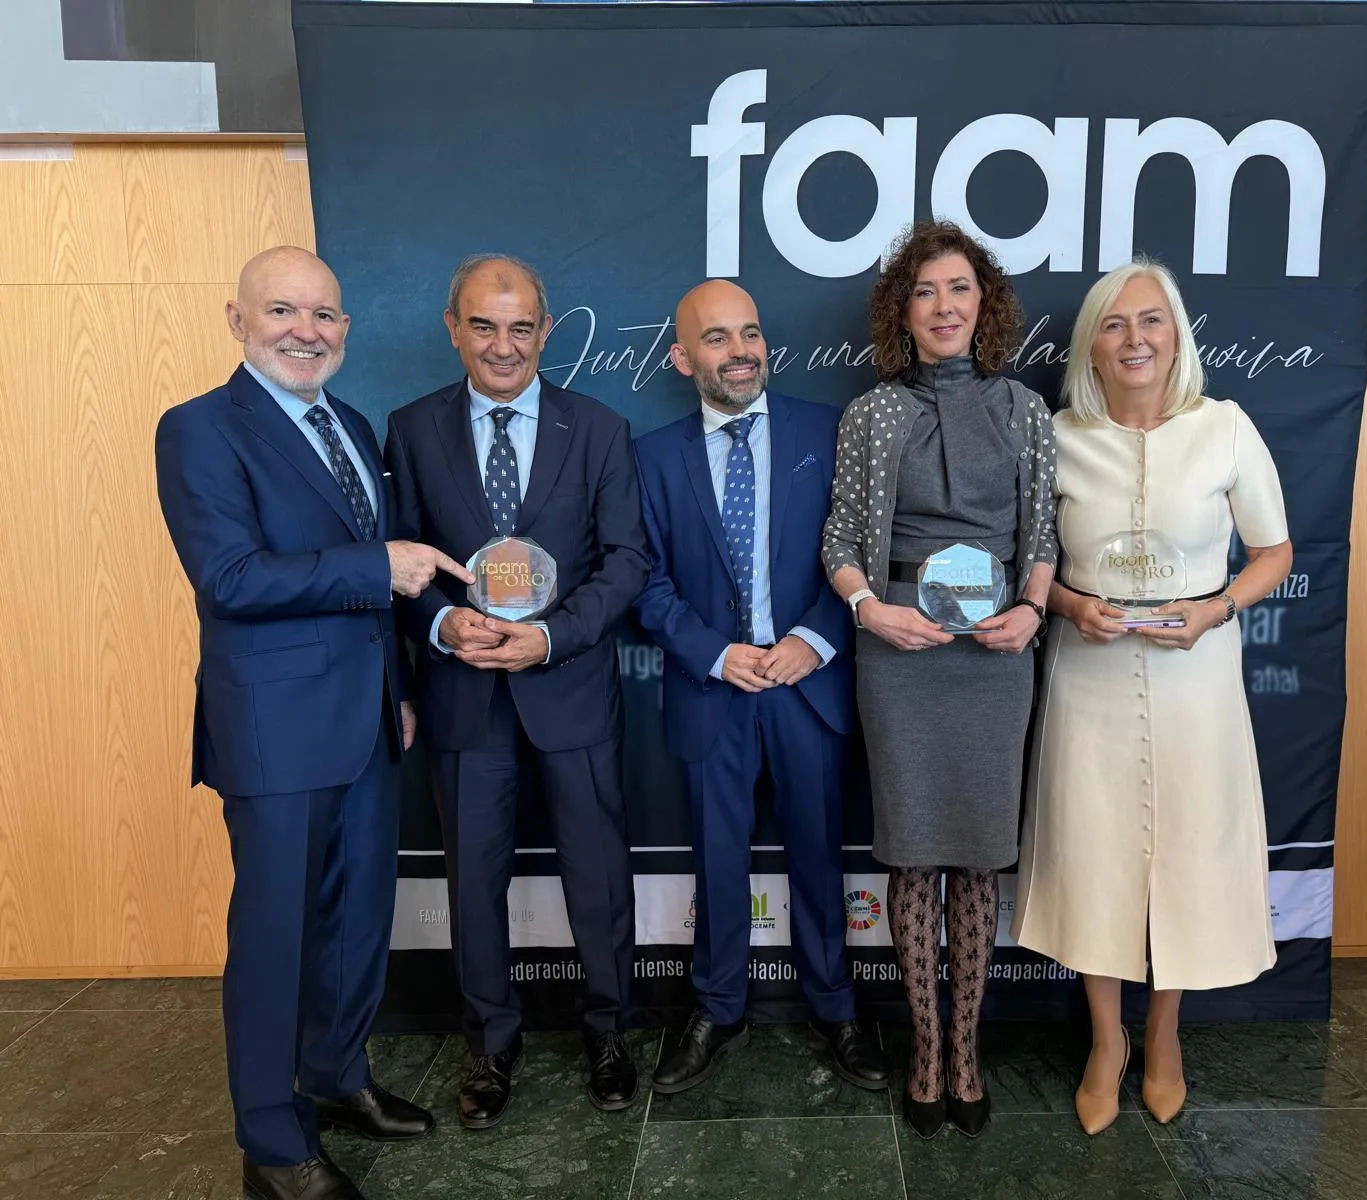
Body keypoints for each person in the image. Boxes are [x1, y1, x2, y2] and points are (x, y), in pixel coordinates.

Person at [154, 247, 462, 1200]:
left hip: (368, 721)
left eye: (326, 316)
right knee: (278, 937)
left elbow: (370, 589)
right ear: (236, 319)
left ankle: (335, 1079)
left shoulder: (350, 422)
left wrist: (401, 688)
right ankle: (274, 1143)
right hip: (275, 735)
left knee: (356, 922)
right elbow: (233, 579)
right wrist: (382, 568)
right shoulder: (201, 430)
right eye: (283, 310)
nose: (307, 331)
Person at [1011, 258, 1294, 1135]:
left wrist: (1218, 609)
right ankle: (1108, 1041)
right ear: (1090, 346)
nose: (1135, 339)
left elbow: (1275, 551)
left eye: (1153, 321)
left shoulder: (1227, 429)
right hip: (1087, 674)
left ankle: (1164, 1035)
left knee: (1184, 859)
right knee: (1093, 855)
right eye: (1114, 323)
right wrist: (1067, 603)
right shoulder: (1056, 434)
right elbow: (1028, 561)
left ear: (1178, 336)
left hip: (1195, 682)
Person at [385, 254, 650, 1125]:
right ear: (454, 328)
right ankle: (490, 1047)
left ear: (546, 328)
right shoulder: (412, 429)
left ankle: (610, 1034)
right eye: (484, 325)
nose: (504, 345)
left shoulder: (601, 428)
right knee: (473, 884)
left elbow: (626, 564)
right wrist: (437, 624)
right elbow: (401, 563)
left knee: (601, 876)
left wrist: (547, 637)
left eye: (521, 326)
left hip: (568, 687)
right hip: (463, 697)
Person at [822, 219, 1057, 1139]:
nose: (945, 306)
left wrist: (1035, 611)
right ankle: (924, 1054)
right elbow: (841, 540)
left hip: (995, 656)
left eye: (960, 289)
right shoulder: (870, 414)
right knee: (915, 855)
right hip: (902, 651)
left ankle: (968, 1050)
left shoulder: (1024, 411)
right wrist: (869, 611)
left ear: (983, 304)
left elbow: (1042, 533)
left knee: (976, 857)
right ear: (903, 313)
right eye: (925, 292)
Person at [634, 280, 890, 1096]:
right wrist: (715, 654)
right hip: (714, 690)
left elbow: (863, 550)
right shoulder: (650, 457)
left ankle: (835, 1007)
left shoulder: (828, 430)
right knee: (717, 860)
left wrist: (814, 640)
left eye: (750, 332)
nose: (740, 350)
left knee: (820, 853)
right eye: (717, 338)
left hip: (808, 685)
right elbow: (644, 582)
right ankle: (717, 1009)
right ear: (683, 358)